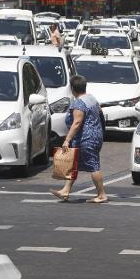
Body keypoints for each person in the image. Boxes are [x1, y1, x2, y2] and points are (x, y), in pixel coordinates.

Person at [50, 75, 107, 203]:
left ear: (72, 89)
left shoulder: (79, 103)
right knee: (74, 163)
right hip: (94, 136)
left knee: (93, 165)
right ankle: (65, 190)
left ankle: (102, 194)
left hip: (86, 139)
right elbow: (101, 115)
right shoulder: (91, 98)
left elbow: (77, 123)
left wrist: (67, 140)